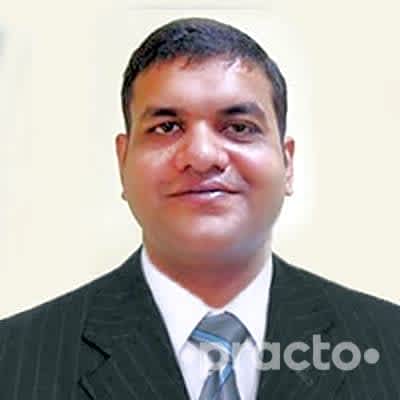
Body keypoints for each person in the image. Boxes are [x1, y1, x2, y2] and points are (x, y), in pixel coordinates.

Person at [0, 17, 399, 400]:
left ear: (287, 162)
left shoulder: (387, 345)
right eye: (167, 127)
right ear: (123, 161)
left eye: (239, 127)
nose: (203, 156)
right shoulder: (15, 358)